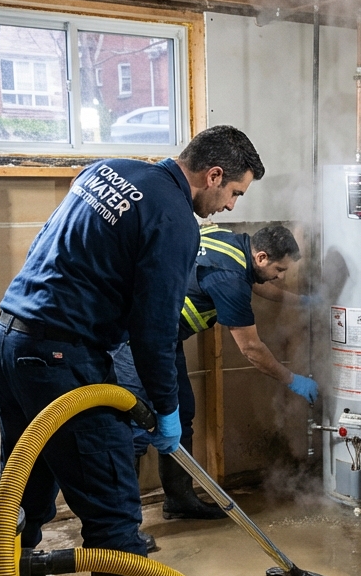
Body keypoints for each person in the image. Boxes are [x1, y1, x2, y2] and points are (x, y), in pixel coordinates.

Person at [0, 125, 265, 576]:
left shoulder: (109, 169)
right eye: (233, 193)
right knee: (113, 505)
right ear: (212, 176)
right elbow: (155, 329)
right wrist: (165, 408)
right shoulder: (174, 220)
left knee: (25, 490)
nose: (228, 206)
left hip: (11, 341)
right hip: (62, 357)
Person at [112, 222, 318, 519]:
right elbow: (252, 350)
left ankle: (180, 499)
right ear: (261, 257)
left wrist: (303, 302)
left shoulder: (226, 241)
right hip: (134, 339)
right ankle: (122, 528)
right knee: (133, 432)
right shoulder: (230, 280)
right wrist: (291, 380)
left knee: (180, 415)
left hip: (163, 338)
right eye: (280, 270)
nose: (281, 277)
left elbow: (259, 283)